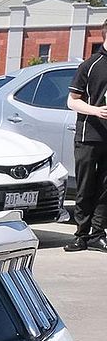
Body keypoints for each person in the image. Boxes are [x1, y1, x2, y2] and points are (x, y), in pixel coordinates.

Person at [67, 33, 107, 252]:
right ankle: (81, 235)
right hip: (89, 135)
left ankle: (98, 234)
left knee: (105, 188)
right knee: (85, 187)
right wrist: (95, 111)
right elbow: (72, 101)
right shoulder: (90, 65)